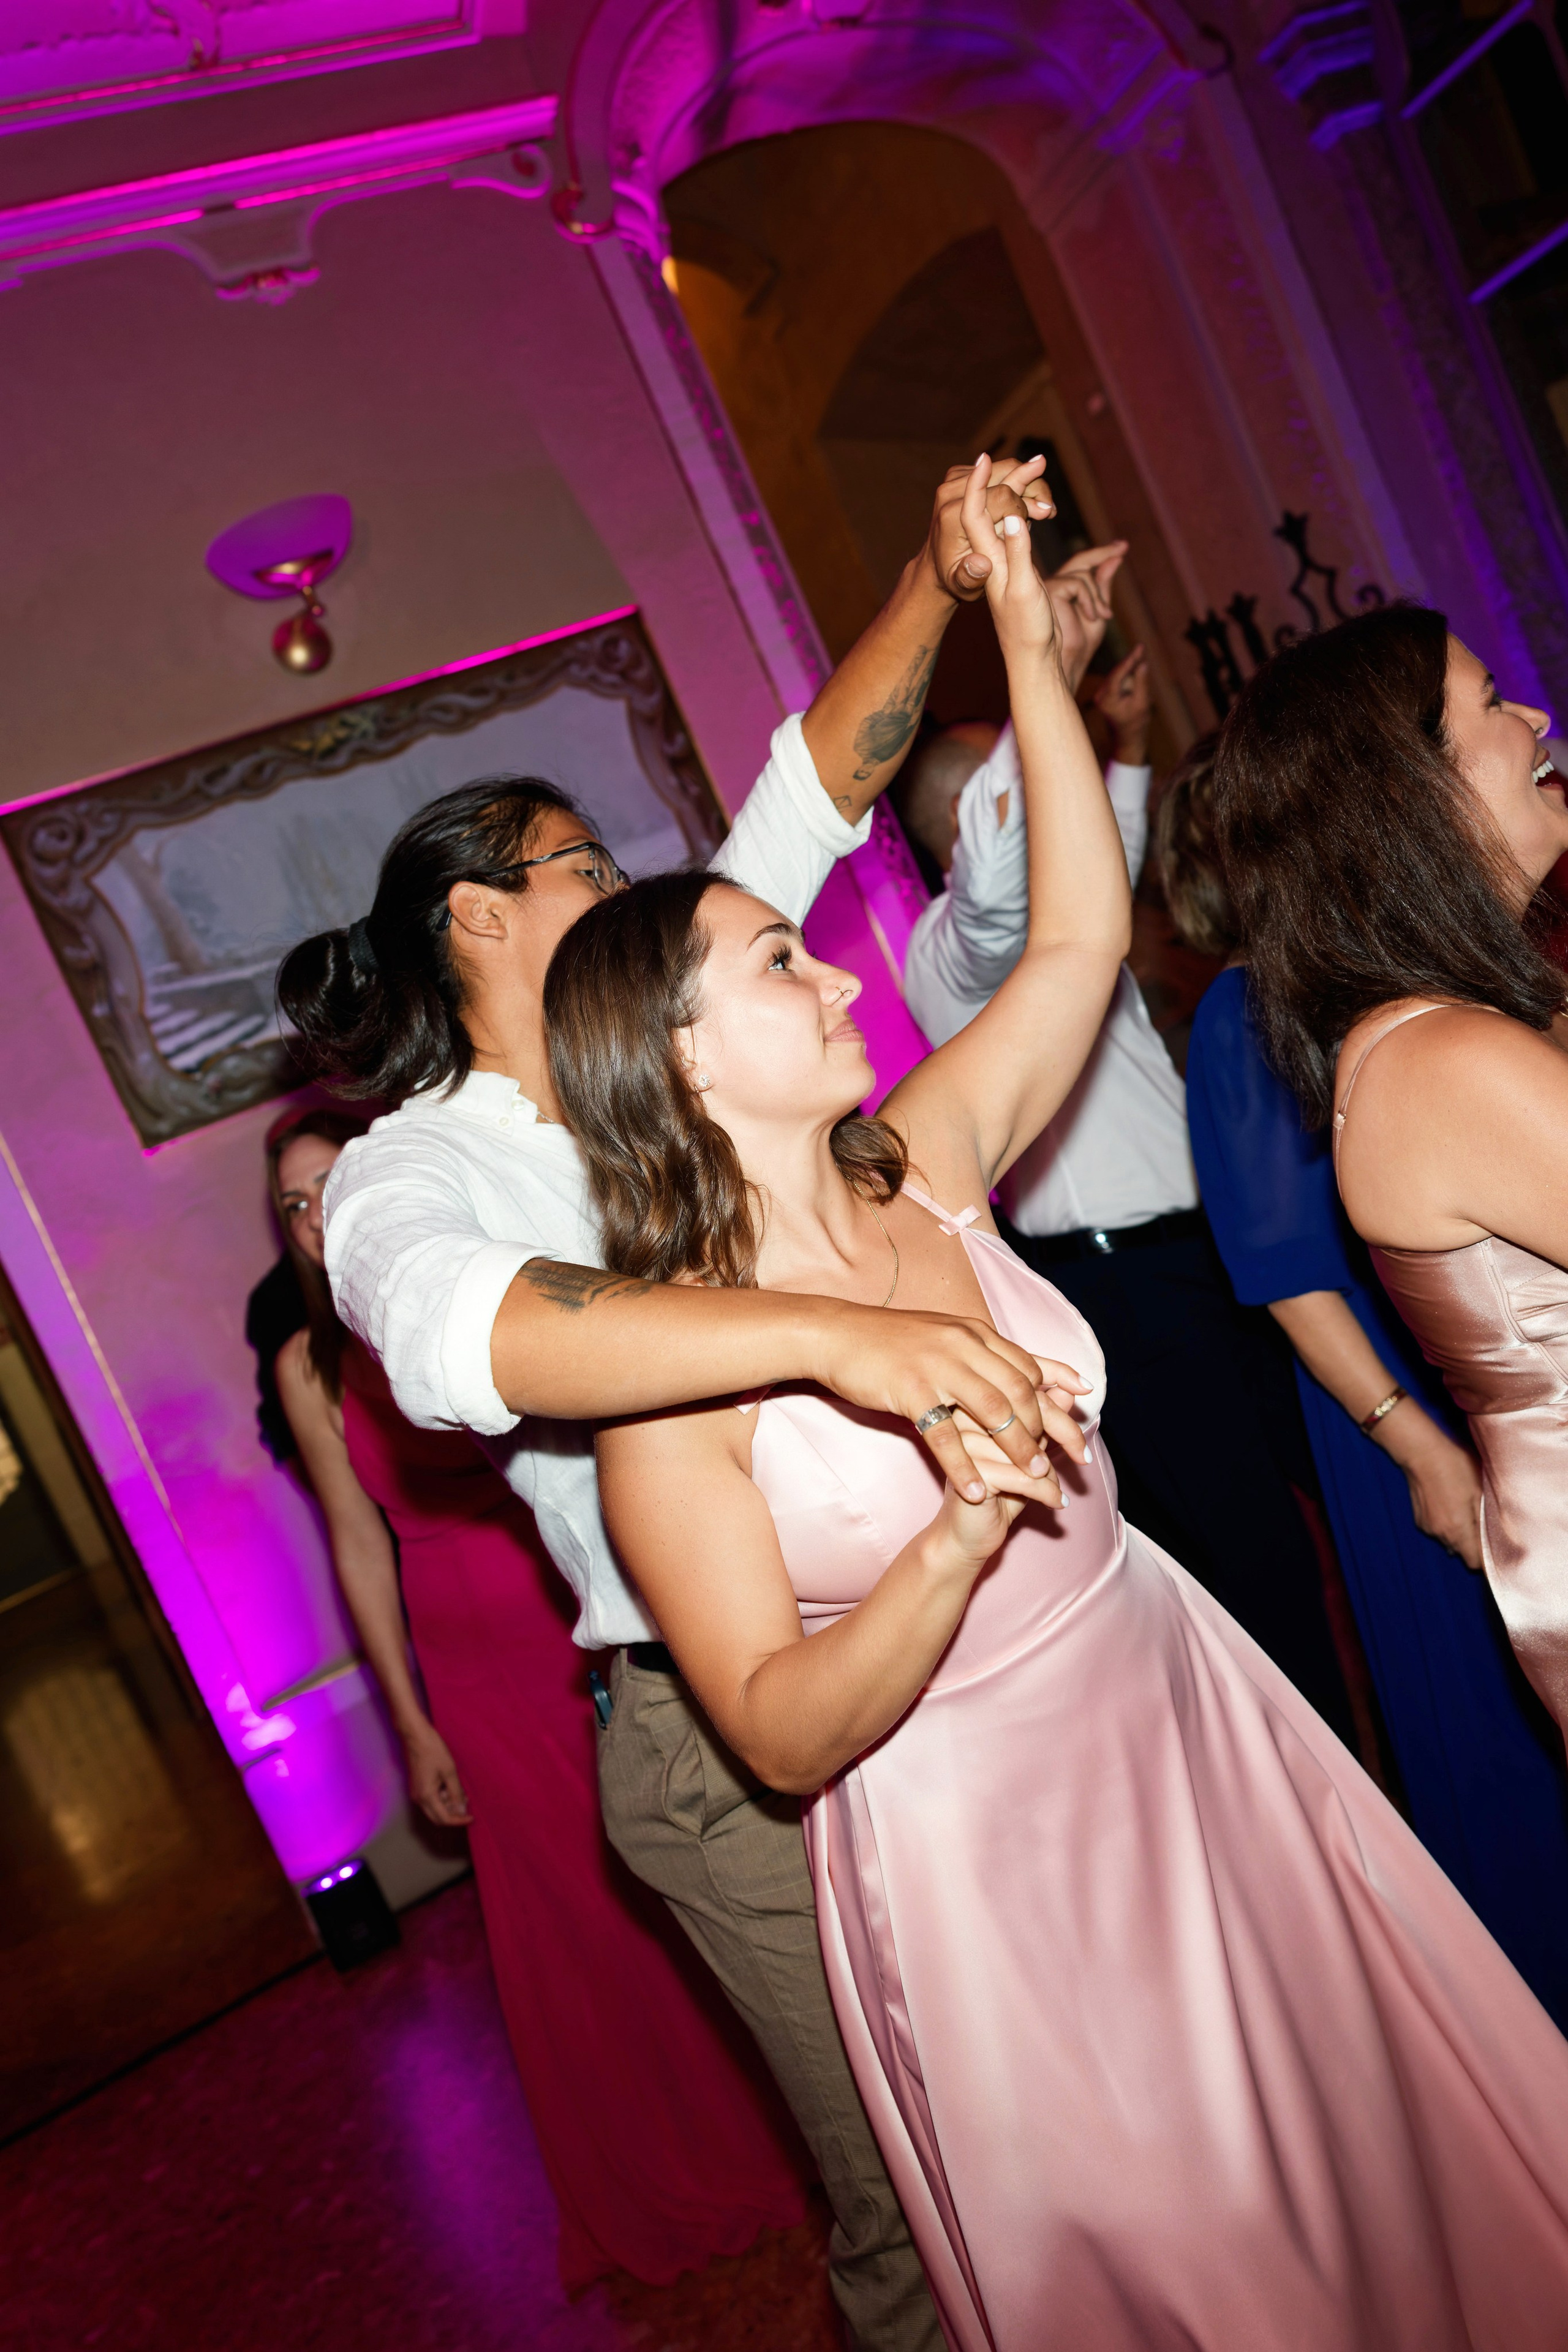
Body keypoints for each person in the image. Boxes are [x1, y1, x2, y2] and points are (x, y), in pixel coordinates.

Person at [548, 481, 1568, 2350]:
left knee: (1364, 2147)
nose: (836, 970)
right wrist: (950, 1541)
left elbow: (1081, 951)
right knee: (1193, 2249)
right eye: (780, 964)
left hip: (1179, 1705)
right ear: (678, 1062)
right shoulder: (666, 1391)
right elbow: (773, 1728)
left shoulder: (922, 1163)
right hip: (980, 1847)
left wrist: (1030, 653)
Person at [281, 459, 1094, 2352]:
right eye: (583, 864)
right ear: (479, 918)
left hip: (950, 1649)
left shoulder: (676, 1027)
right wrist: (823, 1337)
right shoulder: (415, 1168)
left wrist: (937, 572)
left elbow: (812, 792)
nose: (632, 885)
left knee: (1057, 2121)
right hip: (726, 1737)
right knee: (918, 2189)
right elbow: (465, 1340)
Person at [265, 1107, 807, 2288]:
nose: (312, 1218)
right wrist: (410, 1721)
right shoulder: (308, 1367)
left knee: (673, 1878)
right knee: (565, 1915)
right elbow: (357, 1544)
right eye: (291, 1206)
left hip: (564, 1599)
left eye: (326, 1185)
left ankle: (771, 2125)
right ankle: (656, 2159)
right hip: (465, 1655)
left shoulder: (475, 1276)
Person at [1164, 745, 1568, 2027]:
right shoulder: (1249, 1015)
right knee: (1477, 1724)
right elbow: (1280, 1270)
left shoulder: (1425, 989)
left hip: (1467, 1360)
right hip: (1399, 1397)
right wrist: (1417, 1446)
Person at [900, 631, 1360, 1747]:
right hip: (1127, 1294)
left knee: (1343, 1506)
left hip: (1212, 1257)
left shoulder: (1070, 924)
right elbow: (1001, 879)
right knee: (1255, 1564)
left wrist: (1133, 742)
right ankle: (1328, 1786)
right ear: (972, 823)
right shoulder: (955, 952)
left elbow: (1101, 849)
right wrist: (1040, 678)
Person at [1214, 603, 1568, 1749]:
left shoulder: (1462, 1022)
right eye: (1492, 703)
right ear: (1412, 790)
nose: (1536, 717)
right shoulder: (1442, 1061)